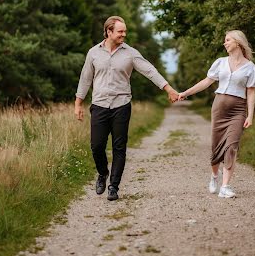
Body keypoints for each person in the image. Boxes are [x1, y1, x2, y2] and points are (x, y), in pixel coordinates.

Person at [75, 16, 179, 201]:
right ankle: (102, 173)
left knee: (119, 147)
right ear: (109, 32)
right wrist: (78, 103)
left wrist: (168, 89)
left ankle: (114, 186)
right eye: (120, 31)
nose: (124, 34)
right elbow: (85, 78)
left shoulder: (130, 53)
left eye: (125, 31)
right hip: (99, 104)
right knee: (96, 146)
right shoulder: (93, 53)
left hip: (121, 105)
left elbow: (149, 71)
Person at [178, 30, 255, 199]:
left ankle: (225, 186)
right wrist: (186, 93)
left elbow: (251, 93)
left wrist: (250, 116)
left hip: (237, 111)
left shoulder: (251, 68)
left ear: (237, 42)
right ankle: (214, 176)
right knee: (216, 147)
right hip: (219, 110)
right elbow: (206, 82)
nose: (225, 43)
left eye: (228, 40)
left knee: (231, 147)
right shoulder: (220, 63)